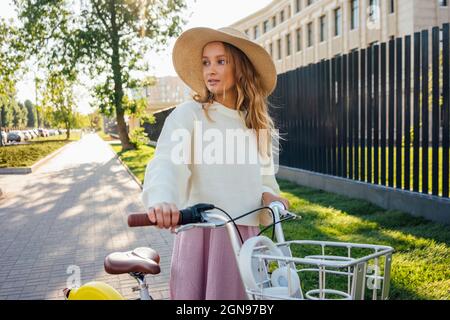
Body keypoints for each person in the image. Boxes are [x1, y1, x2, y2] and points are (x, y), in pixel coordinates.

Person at [141, 27, 290, 300]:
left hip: (246, 240)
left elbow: (265, 181)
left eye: (221, 61)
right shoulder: (190, 115)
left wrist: (271, 198)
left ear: (241, 69)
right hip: (203, 234)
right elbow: (167, 161)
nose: (211, 69)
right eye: (206, 62)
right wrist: (162, 200)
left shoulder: (255, 126)